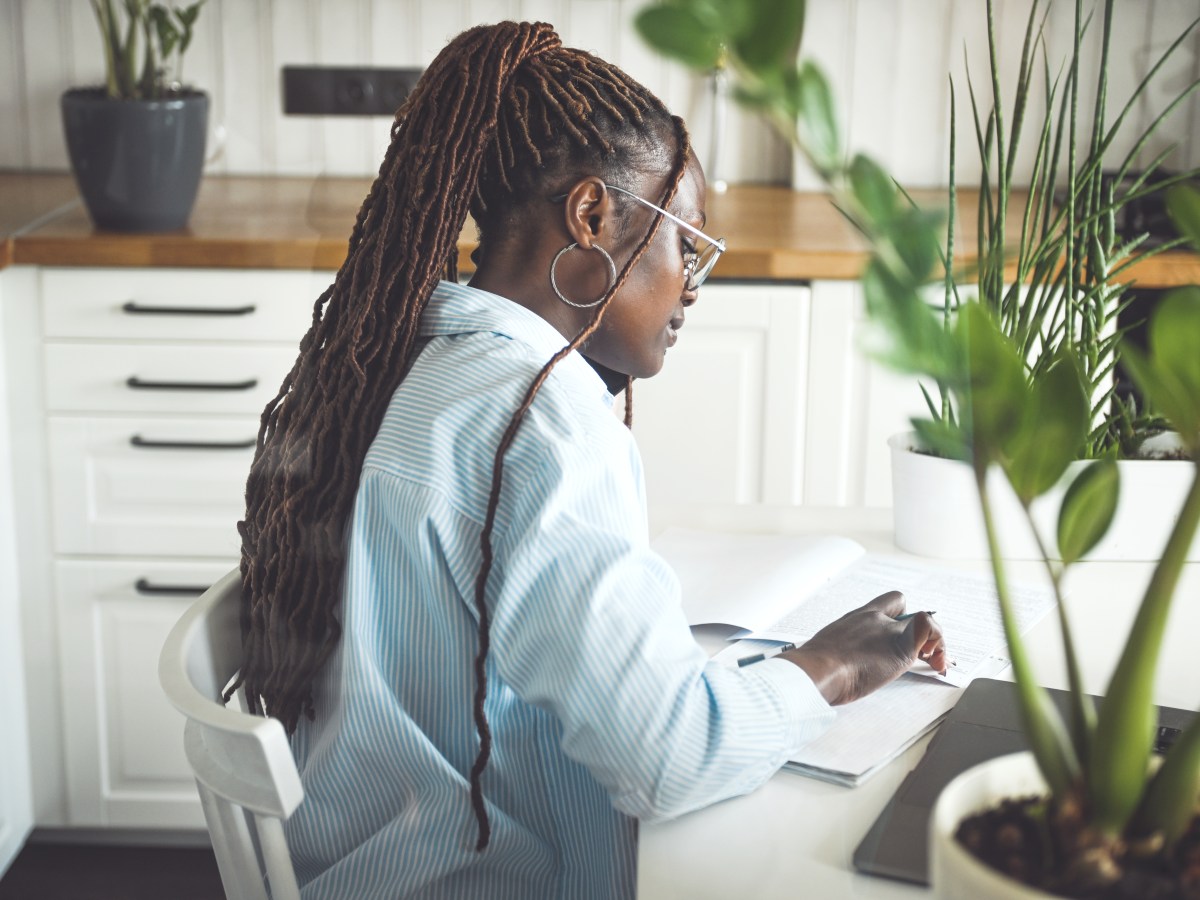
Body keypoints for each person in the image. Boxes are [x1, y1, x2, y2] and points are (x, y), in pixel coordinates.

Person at [230, 20, 948, 900]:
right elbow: (667, 760)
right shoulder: (540, 423)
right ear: (592, 214)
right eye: (689, 246)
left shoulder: (423, 359)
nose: (691, 286)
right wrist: (831, 666)